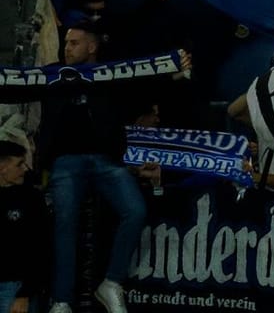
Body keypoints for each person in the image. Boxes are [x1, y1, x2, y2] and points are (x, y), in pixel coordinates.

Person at [0, 25, 163, 313]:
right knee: (65, 223)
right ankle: (62, 300)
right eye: (66, 43)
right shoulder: (54, 73)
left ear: (92, 47)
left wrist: (175, 66)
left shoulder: (110, 75)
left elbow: (146, 82)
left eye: (74, 43)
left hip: (106, 160)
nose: (67, 48)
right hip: (66, 161)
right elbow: (17, 87)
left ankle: (111, 282)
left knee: (135, 210)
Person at [0, 139, 49, 313]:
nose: (24, 170)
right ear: (2, 167)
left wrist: (24, 294)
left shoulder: (31, 198)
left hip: (15, 288)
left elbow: (40, 246)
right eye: (19, 164)